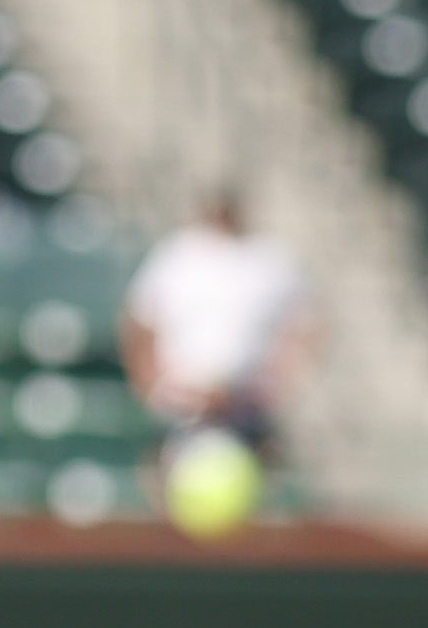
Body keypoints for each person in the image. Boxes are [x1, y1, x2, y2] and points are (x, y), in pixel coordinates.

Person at [119, 184, 306, 452]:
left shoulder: (270, 259)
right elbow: (137, 324)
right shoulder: (176, 254)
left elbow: (304, 327)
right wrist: (150, 385)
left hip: (245, 406)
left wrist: (277, 383)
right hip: (180, 403)